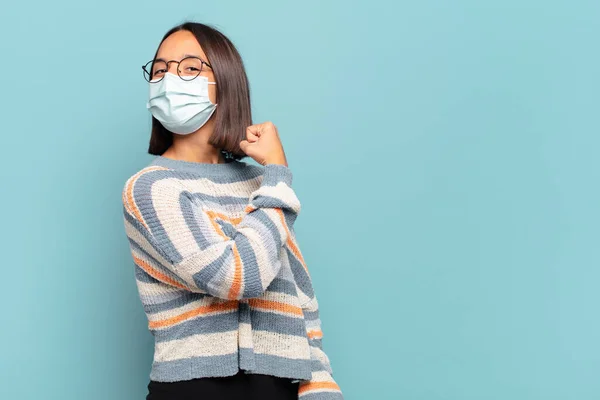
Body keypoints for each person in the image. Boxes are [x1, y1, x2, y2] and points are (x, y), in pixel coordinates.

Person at [121, 21, 343, 400]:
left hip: (279, 388)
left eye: (190, 67)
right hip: (196, 389)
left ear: (225, 82)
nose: (169, 79)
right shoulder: (151, 187)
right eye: (159, 70)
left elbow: (299, 300)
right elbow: (237, 277)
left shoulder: (262, 185)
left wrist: (321, 390)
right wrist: (277, 175)